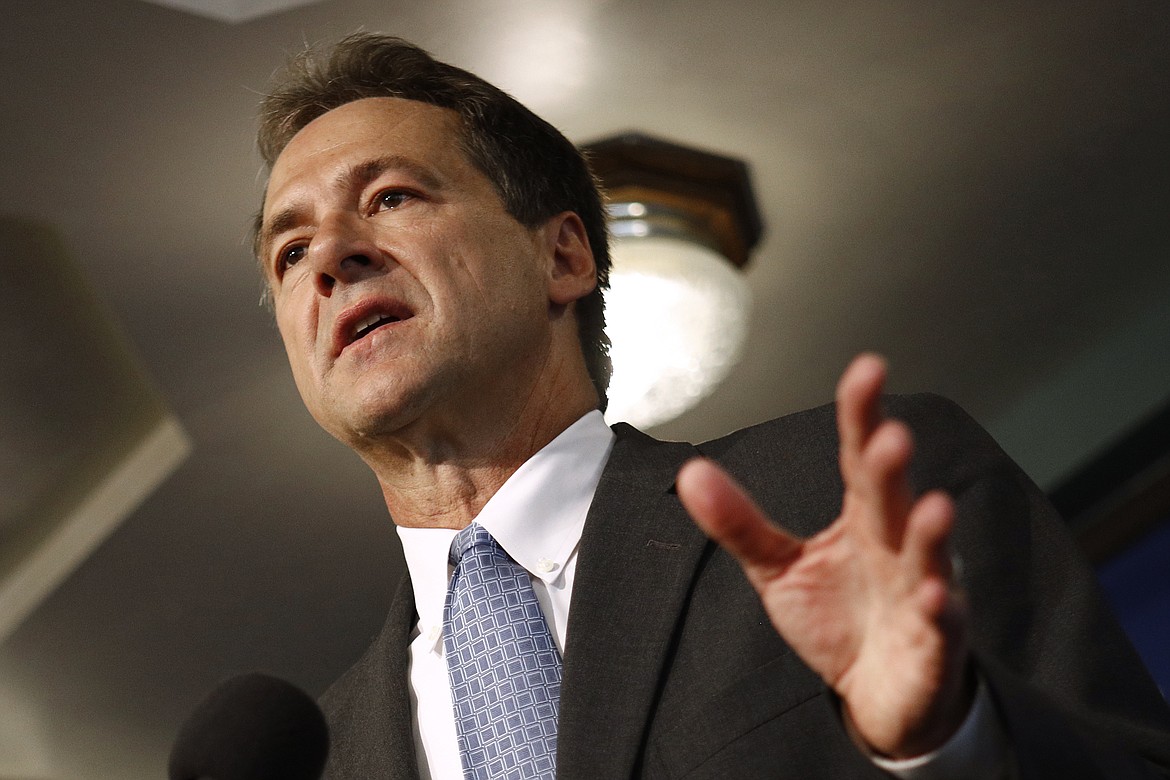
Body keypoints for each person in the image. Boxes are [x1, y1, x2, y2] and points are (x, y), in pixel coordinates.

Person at [251, 33, 1170, 779]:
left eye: (390, 196)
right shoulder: (307, 758)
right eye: (289, 254)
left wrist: (949, 742)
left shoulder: (839, 499)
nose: (331, 255)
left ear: (563, 257)